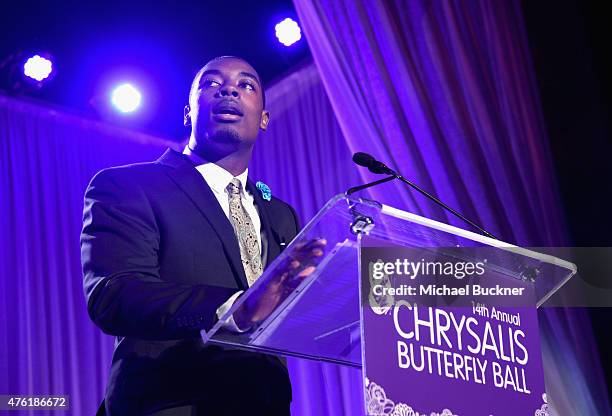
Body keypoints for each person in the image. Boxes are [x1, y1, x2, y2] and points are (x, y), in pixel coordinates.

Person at [81, 56, 321, 415]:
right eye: (211, 83)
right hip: (171, 401)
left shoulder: (280, 215)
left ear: (265, 118)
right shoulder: (128, 185)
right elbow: (114, 294)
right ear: (187, 113)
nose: (228, 89)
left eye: (247, 85)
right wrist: (236, 309)